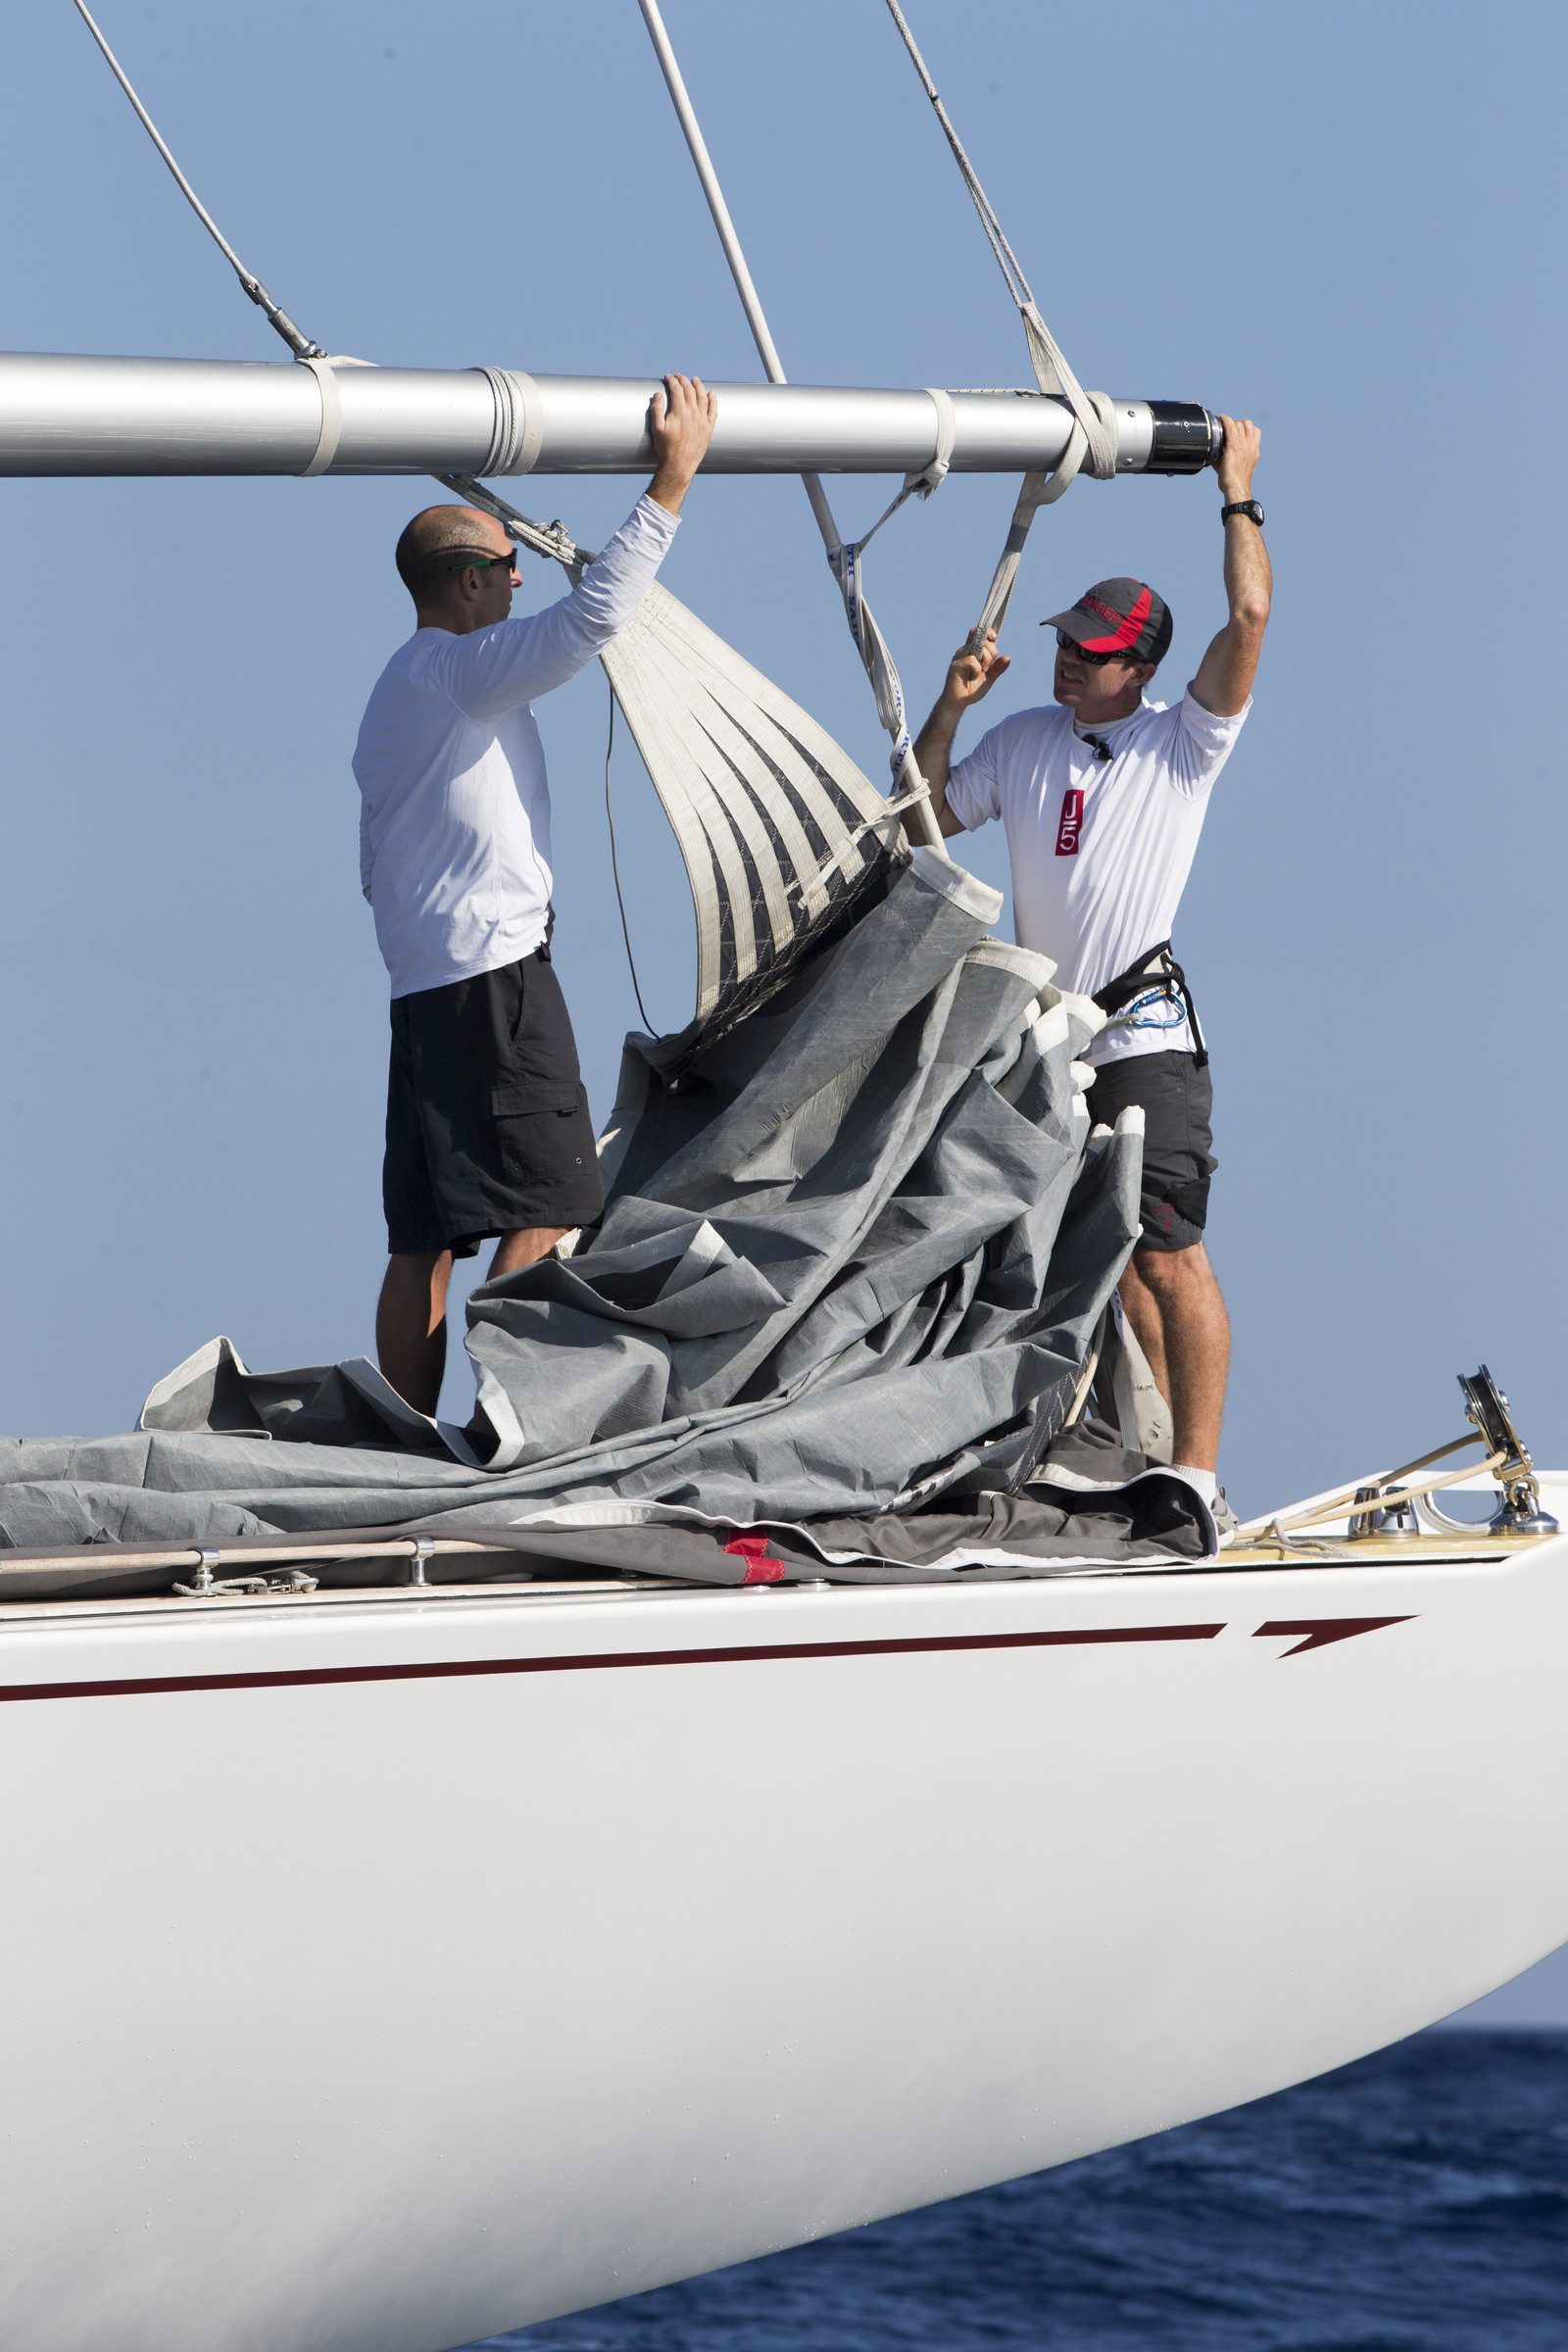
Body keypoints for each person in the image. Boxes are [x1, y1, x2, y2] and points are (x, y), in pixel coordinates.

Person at [909, 418, 1270, 1501]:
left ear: (1139, 668)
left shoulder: (1184, 740)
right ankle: (1146, 1463)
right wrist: (953, 704)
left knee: (1167, 1258)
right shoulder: (1024, 737)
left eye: (1088, 651)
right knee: (1099, 1272)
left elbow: (1248, 614)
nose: (1065, 658)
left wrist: (1235, 489)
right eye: (1063, 642)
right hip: (1046, 1048)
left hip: (1145, 1034)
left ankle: (1197, 1478)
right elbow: (922, 816)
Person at [354, 372, 718, 1418]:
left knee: (426, 1233)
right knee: (551, 1206)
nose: (524, 582)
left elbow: (373, 859)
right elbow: (591, 620)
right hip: (493, 980)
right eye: (512, 567)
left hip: (425, 986)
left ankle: (414, 1442)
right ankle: (496, 1426)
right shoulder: (459, 672)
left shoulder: (395, 692)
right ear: (468, 584)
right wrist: (672, 478)